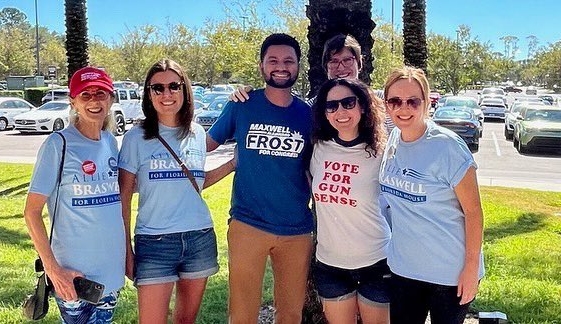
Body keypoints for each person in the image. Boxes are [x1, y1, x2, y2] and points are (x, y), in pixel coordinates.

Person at [207, 33, 313, 324]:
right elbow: (202, 146)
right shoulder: (242, 104)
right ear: (262, 65)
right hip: (248, 224)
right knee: (242, 313)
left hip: (297, 230)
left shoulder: (308, 115)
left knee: (291, 314)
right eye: (273, 60)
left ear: (298, 66)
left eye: (289, 60)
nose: (281, 66)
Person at [118, 59, 234, 324]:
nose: (166, 94)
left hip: (199, 238)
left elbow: (195, 183)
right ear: (148, 94)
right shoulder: (136, 138)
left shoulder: (196, 133)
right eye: (157, 88)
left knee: (186, 321)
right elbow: (123, 198)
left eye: (174, 86)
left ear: (185, 90)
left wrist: (231, 165)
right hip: (154, 243)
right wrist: (126, 250)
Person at [379, 66, 484, 324]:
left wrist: (471, 268)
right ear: (387, 105)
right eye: (395, 101)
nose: (404, 108)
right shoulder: (393, 138)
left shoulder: (448, 147)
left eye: (413, 101)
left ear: (426, 103)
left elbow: (473, 212)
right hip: (404, 269)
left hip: (449, 273)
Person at [23, 66, 125, 323]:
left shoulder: (110, 142)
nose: (94, 100)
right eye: (85, 95)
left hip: (111, 274)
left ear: (111, 98)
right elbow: (31, 212)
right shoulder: (58, 144)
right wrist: (53, 270)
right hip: (74, 277)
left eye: (100, 93)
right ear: (73, 102)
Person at [310, 78, 391, 323]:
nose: (340, 111)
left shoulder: (382, 152)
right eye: (331, 106)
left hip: (376, 262)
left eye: (348, 103)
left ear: (363, 106)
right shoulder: (318, 148)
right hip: (330, 264)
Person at [229, 33, 394, 134]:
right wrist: (247, 94)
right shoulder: (312, 108)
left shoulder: (385, 102)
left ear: (359, 63)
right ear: (326, 67)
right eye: (334, 61)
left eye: (347, 60)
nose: (341, 67)